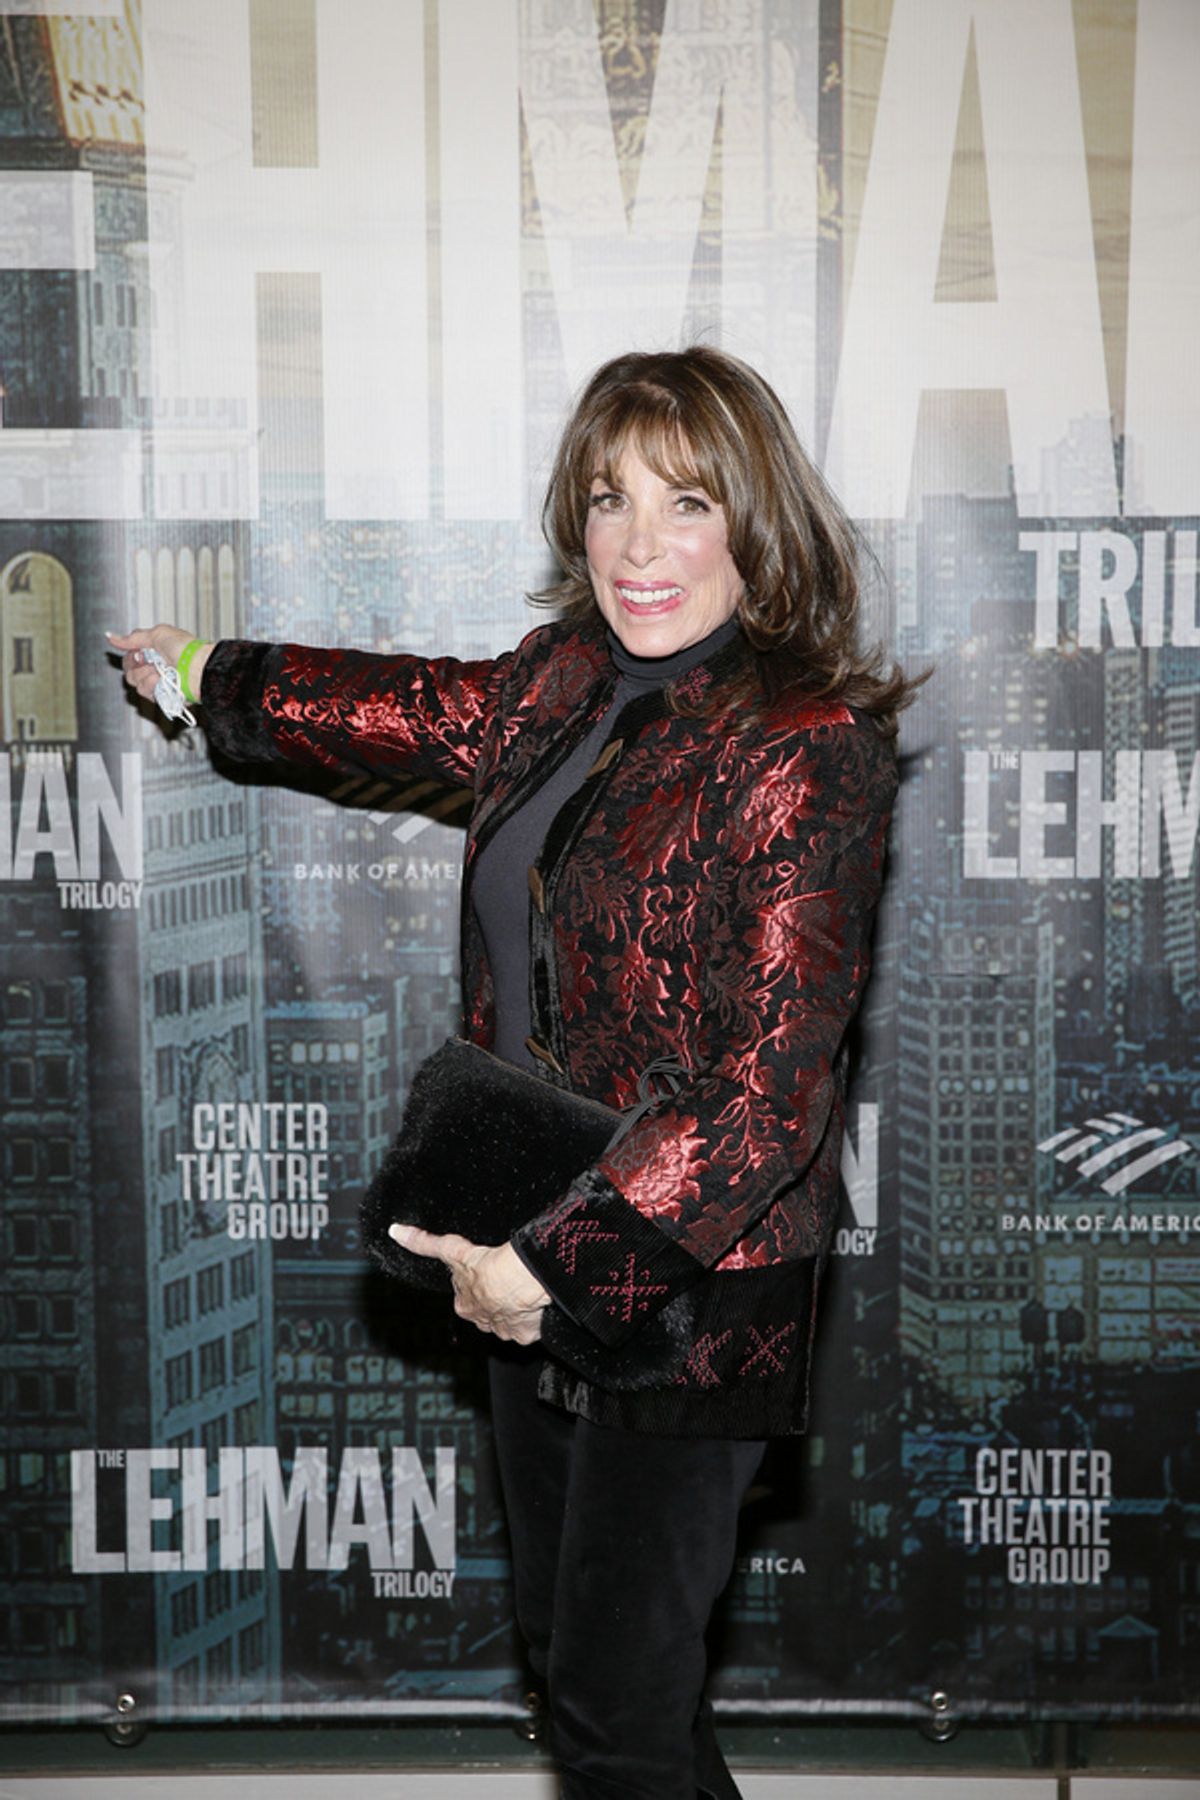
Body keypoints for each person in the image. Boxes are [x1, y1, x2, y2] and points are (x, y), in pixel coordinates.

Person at [112, 345, 914, 1799]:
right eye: (609, 502)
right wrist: (207, 674)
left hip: (682, 1285)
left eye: (686, 504)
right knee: (593, 1676)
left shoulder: (807, 748)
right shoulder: (562, 681)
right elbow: (412, 708)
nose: (639, 547)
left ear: (756, 521)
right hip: (528, 1237)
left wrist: (558, 1267)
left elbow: (768, 1096)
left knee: (615, 1710)